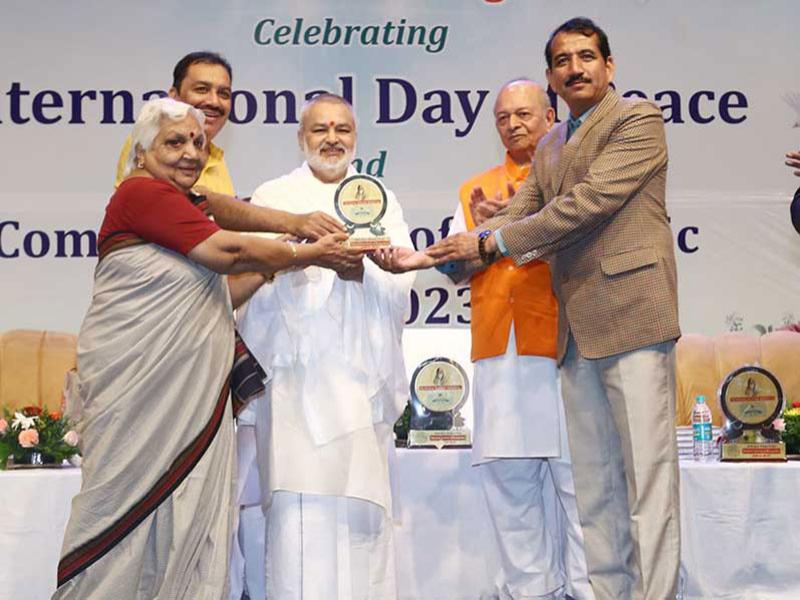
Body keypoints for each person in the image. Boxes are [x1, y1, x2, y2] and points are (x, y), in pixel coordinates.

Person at [54, 97, 360, 599]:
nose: (191, 153)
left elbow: (222, 292)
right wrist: (307, 249)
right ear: (142, 152)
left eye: (199, 142)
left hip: (189, 402)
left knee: (195, 519)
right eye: (175, 142)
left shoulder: (182, 208)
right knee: (120, 512)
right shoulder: (140, 195)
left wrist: (277, 263)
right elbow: (230, 250)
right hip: (138, 393)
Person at [425, 17, 681, 600]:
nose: (576, 68)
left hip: (635, 318)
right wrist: (430, 258)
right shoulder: (551, 144)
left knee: (647, 484)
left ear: (609, 66)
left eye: (587, 56)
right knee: (595, 492)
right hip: (577, 333)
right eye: (563, 60)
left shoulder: (637, 120)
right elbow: (511, 215)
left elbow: (586, 205)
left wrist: (489, 242)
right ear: (551, 78)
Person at [237, 93, 415, 599]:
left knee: (361, 516)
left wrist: (362, 269)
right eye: (320, 129)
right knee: (297, 515)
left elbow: (400, 281)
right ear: (301, 138)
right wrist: (311, 261)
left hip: (358, 382)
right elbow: (251, 276)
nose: (332, 138)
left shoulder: (378, 195)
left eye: (342, 129)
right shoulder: (274, 194)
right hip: (294, 381)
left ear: (355, 138)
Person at [444, 79, 594, 600]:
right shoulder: (475, 190)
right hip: (500, 355)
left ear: (550, 117)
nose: (514, 124)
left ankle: (586, 592)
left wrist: (514, 226)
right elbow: (457, 270)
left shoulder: (576, 179)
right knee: (511, 491)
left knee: (582, 490)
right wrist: (477, 242)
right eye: (504, 117)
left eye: (525, 114)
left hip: (567, 347)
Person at [115, 51, 340, 241]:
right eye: (202, 89)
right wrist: (292, 227)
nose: (214, 101)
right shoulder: (148, 143)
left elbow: (221, 240)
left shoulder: (215, 157)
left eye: (223, 93)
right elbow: (197, 203)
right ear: (173, 97)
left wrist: (281, 253)